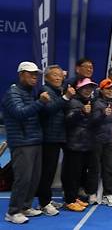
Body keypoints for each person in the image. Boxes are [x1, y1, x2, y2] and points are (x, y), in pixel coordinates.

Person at [2, 62, 49, 224]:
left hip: (34, 140)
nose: (35, 77)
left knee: (33, 178)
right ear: (21, 74)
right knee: (23, 178)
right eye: (31, 74)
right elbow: (20, 113)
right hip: (22, 143)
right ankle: (13, 211)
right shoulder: (12, 93)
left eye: (36, 74)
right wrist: (40, 102)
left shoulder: (29, 92)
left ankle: (25, 207)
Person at [37, 65, 75, 216]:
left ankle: (47, 200)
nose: (59, 77)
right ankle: (44, 203)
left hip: (57, 136)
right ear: (46, 77)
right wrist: (66, 97)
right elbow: (49, 109)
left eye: (61, 75)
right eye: (55, 75)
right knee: (47, 171)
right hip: (48, 138)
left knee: (51, 171)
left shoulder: (56, 90)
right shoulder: (44, 91)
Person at [63, 78, 98, 212]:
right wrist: (81, 112)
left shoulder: (87, 102)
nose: (88, 90)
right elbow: (68, 120)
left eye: (90, 87)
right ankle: (69, 200)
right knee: (72, 175)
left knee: (78, 174)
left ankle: (74, 197)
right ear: (79, 89)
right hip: (74, 145)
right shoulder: (74, 102)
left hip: (84, 145)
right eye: (85, 87)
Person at [88, 79, 112, 207]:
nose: (111, 91)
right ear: (101, 90)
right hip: (96, 141)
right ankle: (92, 193)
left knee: (108, 168)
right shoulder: (96, 103)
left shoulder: (110, 103)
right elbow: (92, 121)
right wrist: (102, 115)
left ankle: (108, 194)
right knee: (95, 168)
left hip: (108, 141)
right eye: (108, 89)